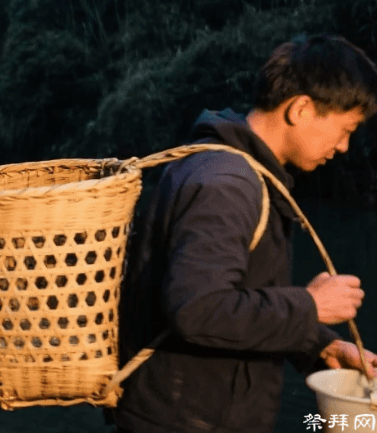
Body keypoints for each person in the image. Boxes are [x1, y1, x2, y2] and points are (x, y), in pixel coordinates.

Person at [112, 34, 377, 433]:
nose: (343, 147)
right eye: (345, 129)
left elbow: (244, 298)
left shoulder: (242, 171)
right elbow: (197, 310)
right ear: (302, 109)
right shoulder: (226, 184)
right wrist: (308, 305)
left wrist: (317, 343)